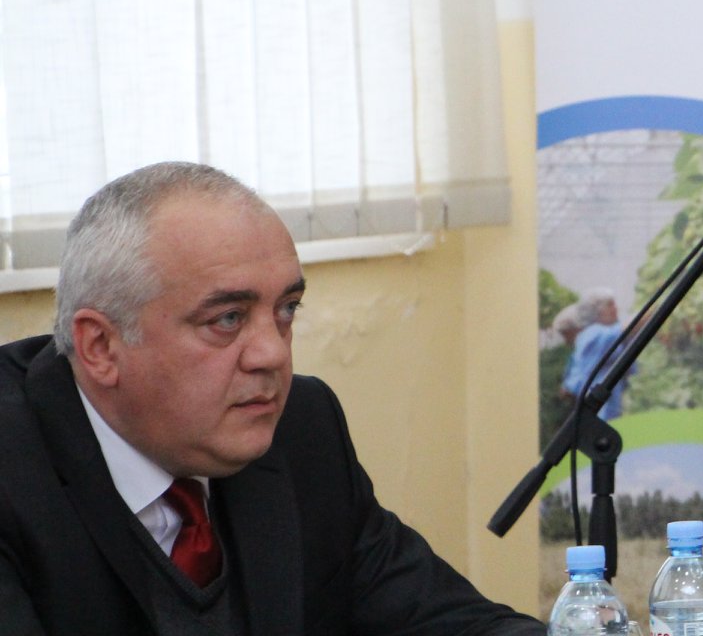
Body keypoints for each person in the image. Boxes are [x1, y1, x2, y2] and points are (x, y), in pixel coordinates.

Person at [0, 161, 544, 634]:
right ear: (100, 346)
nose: (273, 354)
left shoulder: (301, 427)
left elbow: (448, 620)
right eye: (227, 319)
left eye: (286, 310)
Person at [558, 287, 632, 421]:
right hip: (602, 410)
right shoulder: (593, 335)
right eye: (610, 305)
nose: (616, 309)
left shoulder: (593, 336)